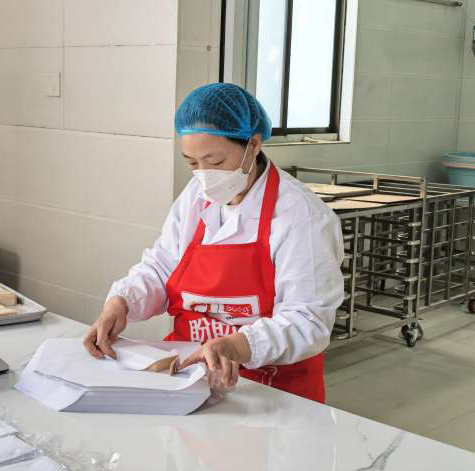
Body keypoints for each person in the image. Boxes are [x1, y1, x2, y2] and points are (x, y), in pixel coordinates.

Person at [83, 83, 344, 403]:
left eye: (216, 162)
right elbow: (163, 266)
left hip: (272, 388)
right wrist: (122, 301)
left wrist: (236, 345)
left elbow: (308, 320)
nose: (204, 176)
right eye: (193, 163)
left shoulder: (301, 216)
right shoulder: (195, 197)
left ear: (253, 145)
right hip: (188, 375)